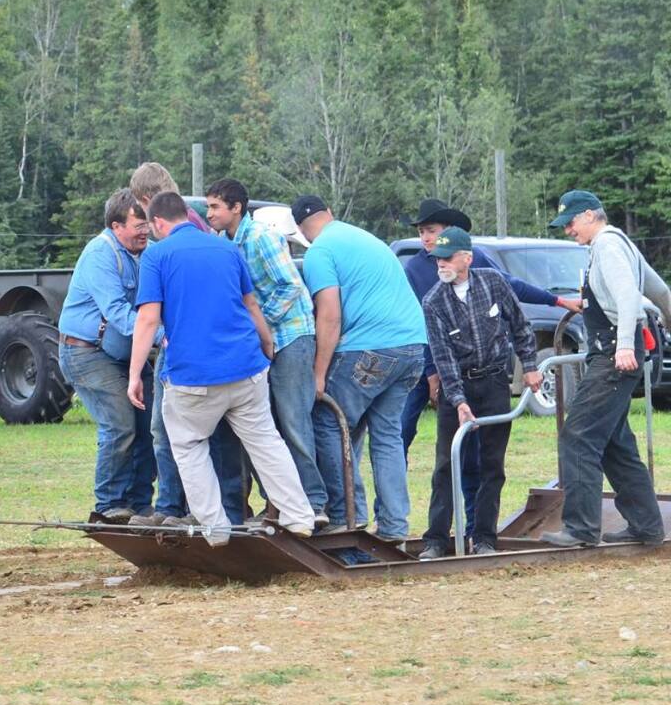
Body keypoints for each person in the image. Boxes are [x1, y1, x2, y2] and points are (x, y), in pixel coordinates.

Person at [126, 193, 317, 546]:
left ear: (157, 224)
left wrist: (135, 374)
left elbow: (149, 317)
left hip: (193, 377)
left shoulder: (157, 254)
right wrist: (265, 343)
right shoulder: (227, 248)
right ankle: (300, 516)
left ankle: (216, 530)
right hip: (246, 367)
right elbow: (251, 303)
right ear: (186, 215)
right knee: (265, 442)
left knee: (188, 444)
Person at [293, 194, 427, 540]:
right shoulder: (366, 238)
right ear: (330, 214)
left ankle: (345, 516)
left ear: (301, 230)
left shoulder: (319, 251)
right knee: (387, 437)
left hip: (369, 349)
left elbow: (330, 315)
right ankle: (395, 527)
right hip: (412, 345)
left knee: (328, 421)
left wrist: (318, 374)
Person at [542, 191, 670, 548]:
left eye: (570, 223)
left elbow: (629, 296)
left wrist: (627, 345)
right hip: (615, 352)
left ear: (588, 216)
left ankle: (580, 529)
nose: (568, 230)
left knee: (578, 436)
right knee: (616, 445)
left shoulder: (608, 246)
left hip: (614, 354)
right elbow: (659, 289)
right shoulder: (620, 244)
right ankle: (646, 526)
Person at [399, 198, 575, 453]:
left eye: (431, 230)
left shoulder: (474, 258)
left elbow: (511, 287)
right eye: (421, 232)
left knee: (472, 440)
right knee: (403, 428)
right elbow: (420, 323)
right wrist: (430, 372)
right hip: (428, 357)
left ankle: (473, 492)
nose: (425, 238)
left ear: (450, 232)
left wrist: (556, 300)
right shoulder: (414, 268)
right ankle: (390, 493)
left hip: (469, 363)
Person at [204, 179, 328, 524]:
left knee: (292, 419)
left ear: (236, 208)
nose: (209, 213)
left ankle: (314, 502)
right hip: (261, 341)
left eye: (215, 206)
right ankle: (278, 502)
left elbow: (290, 286)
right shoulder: (221, 243)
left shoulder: (261, 237)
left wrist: (261, 328)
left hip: (291, 335)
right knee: (261, 425)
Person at [128, 162, 243, 524]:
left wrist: (136, 371)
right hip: (212, 344)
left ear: (147, 202)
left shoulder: (174, 239)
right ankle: (192, 508)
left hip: (187, 348)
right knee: (201, 430)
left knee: (177, 429)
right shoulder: (199, 224)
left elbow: (151, 315)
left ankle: (183, 509)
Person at [418, 228, 542, 558]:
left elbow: (520, 325)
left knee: (492, 464)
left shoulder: (492, 282)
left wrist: (529, 365)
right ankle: (435, 540)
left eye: (447, 258)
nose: (440, 264)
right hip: (457, 386)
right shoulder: (433, 302)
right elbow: (442, 357)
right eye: (437, 260)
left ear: (466, 259)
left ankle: (485, 537)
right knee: (446, 462)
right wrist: (457, 400)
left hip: (494, 383)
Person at [57, 189, 156, 523]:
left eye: (147, 224)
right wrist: (163, 336)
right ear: (116, 226)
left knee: (150, 426)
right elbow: (118, 312)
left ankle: (141, 504)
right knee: (120, 424)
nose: (145, 231)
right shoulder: (101, 254)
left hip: (128, 355)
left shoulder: (146, 254)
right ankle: (110, 505)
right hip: (86, 353)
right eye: (138, 225)